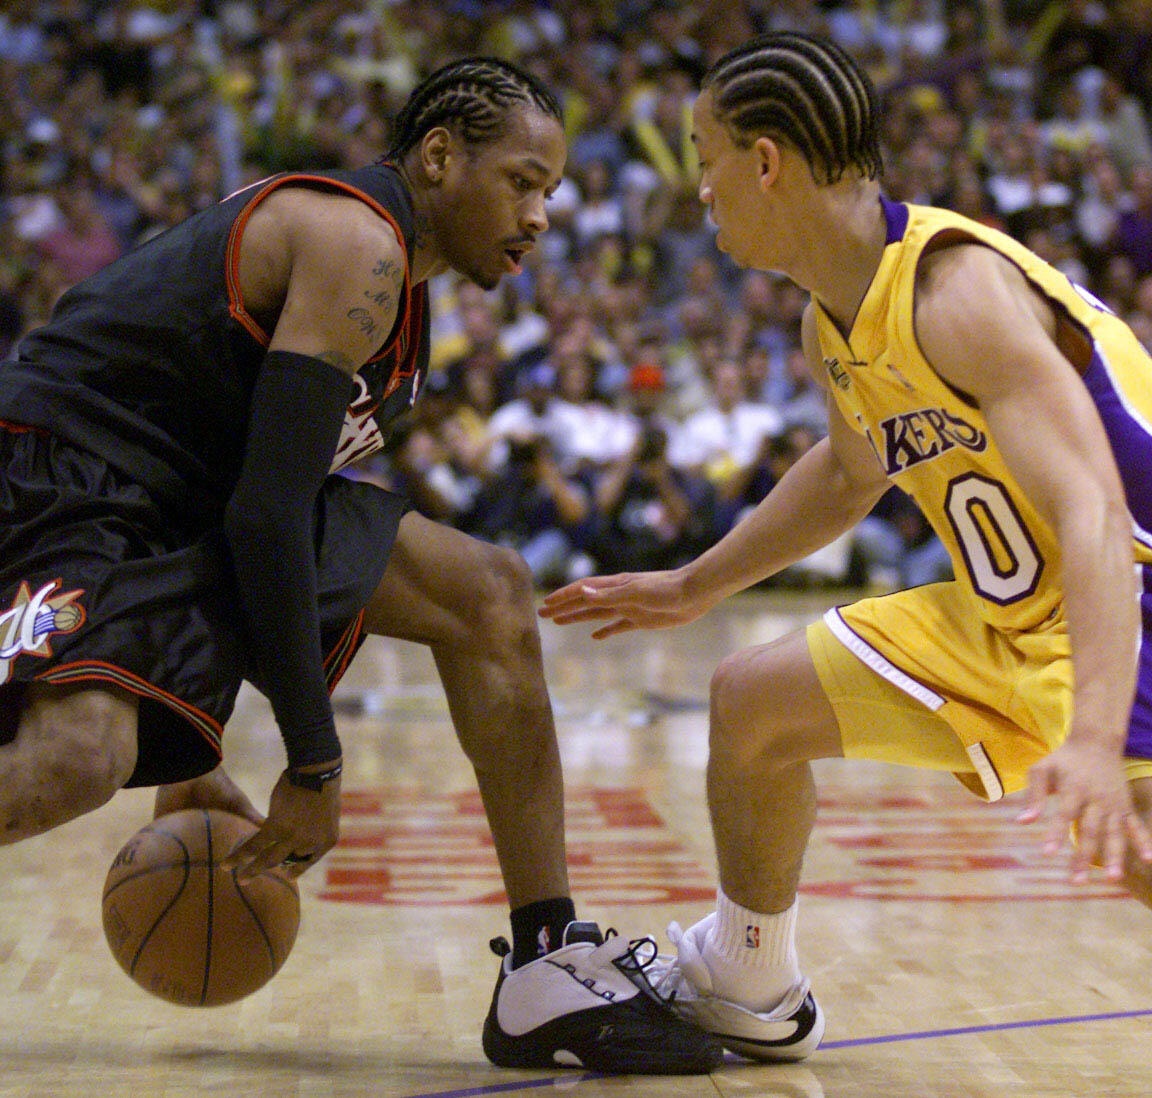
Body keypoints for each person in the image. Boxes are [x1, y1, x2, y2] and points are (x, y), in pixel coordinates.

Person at [0, 57, 721, 1076]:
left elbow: (264, 507)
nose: (542, 214)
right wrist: (313, 764)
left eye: (551, 192)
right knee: (79, 758)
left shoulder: (400, 306)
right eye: (522, 181)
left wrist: (196, 746)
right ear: (438, 158)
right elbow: (267, 518)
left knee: (487, 593)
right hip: (58, 471)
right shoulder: (355, 247)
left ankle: (546, 967)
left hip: (176, 496)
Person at [541, 31, 1152, 1064]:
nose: (701, 192)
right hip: (1004, 618)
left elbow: (1092, 513)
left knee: (1135, 860)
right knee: (748, 706)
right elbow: (846, 473)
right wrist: (696, 583)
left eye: (706, 157)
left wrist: (1092, 740)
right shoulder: (840, 317)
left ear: (766, 160)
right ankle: (749, 981)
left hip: (1123, 607)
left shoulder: (954, 292)